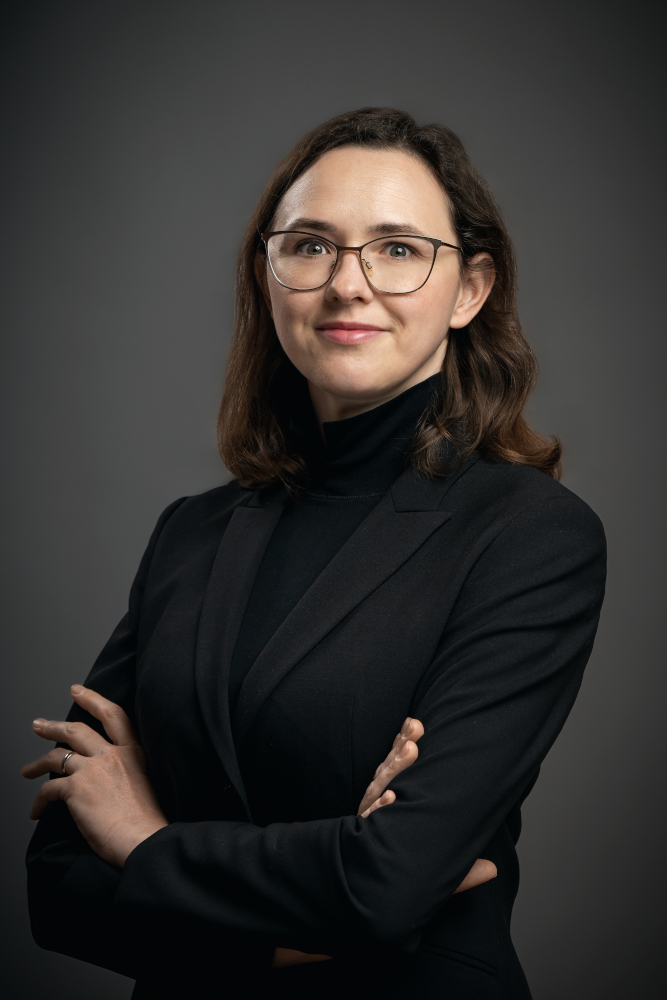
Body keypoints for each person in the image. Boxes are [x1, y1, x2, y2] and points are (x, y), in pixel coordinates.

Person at [22, 107, 606, 999]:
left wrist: (143, 843)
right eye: (311, 246)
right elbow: (56, 888)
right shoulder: (189, 532)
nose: (348, 285)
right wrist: (306, 929)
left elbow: (387, 882)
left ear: (469, 290)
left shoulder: (529, 535)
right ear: (267, 276)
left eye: (399, 249)